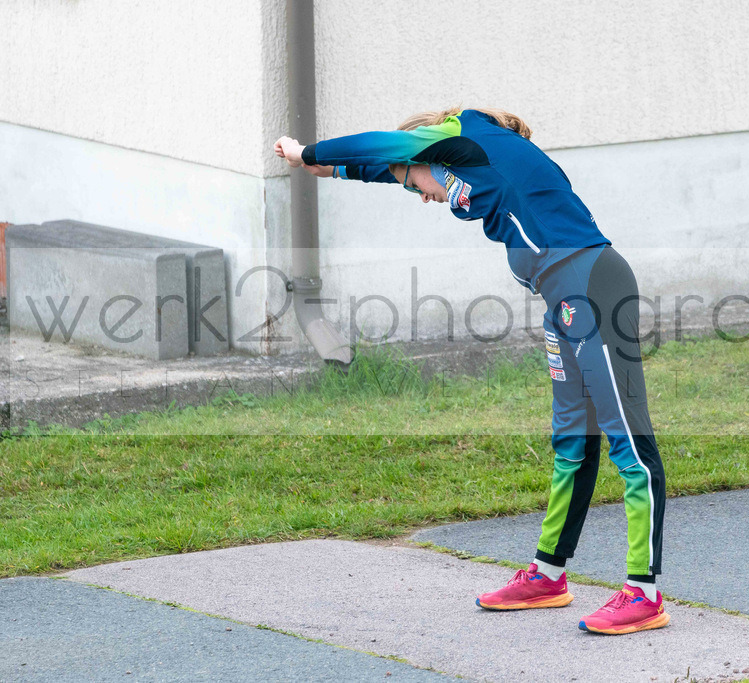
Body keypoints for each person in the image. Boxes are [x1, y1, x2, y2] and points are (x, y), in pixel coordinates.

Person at [274, 107, 668, 635]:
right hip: (561, 299)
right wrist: (335, 171)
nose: (423, 198)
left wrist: (311, 154)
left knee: (628, 442)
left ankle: (644, 593)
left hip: (593, 285)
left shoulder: (466, 132)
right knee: (572, 441)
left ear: (426, 150)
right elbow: (389, 165)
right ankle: (549, 576)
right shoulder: (469, 166)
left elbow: (386, 146)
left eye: (417, 186)